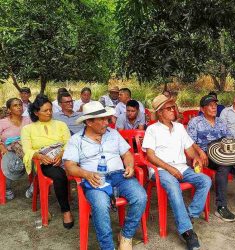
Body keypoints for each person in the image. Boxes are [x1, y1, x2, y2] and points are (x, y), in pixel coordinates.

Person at [63, 101, 147, 250]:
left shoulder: (113, 134)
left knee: (141, 196)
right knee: (101, 205)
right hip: (94, 180)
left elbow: (127, 153)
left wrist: (129, 165)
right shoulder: (76, 140)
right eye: (102, 119)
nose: (106, 123)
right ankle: (107, 247)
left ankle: (126, 235)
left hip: (119, 176)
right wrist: (86, 174)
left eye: (107, 119)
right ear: (88, 122)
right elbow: (70, 167)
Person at [142, 94, 211, 250]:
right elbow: (150, 156)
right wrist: (170, 168)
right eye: (169, 108)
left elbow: (189, 150)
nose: (174, 110)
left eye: (174, 106)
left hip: (182, 167)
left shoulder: (179, 127)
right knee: (173, 187)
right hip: (161, 170)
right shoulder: (152, 129)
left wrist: (195, 158)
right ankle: (187, 231)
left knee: (205, 180)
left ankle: (189, 215)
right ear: (160, 112)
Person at [187, 94, 235, 222]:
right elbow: (189, 141)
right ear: (202, 109)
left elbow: (229, 138)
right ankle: (221, 207)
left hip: (223, 152)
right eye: (210, 106)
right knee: (224, 166)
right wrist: (200, 152)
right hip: (205, 155)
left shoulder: (220, 122)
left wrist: (234, 151)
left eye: (215, 105)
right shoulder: (195, 122)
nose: (214, 108)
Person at [21, 94, 73, 228]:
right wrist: (39, 156)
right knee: (59, 174)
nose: (49, 113)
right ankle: (66, 211)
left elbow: (69, 143)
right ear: (36, 112)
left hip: (64, 157)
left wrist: (61, 154)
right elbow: (27, 149)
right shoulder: (28, 129)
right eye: (45, 110)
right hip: (44, 161)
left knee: (85, 168)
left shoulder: (61, 124)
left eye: (50, 109)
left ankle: (90, 205)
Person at [0, 98, 32, 200]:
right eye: (15, 105)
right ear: (9, 109)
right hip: (8, 150)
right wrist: (2, 147)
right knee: (9, 160)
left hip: (26, 149)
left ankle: (34, 186)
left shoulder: (28, 120)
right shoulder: (3, 122)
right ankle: (7, 188)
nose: (18, 107)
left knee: (40, 163)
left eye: (20, 105)